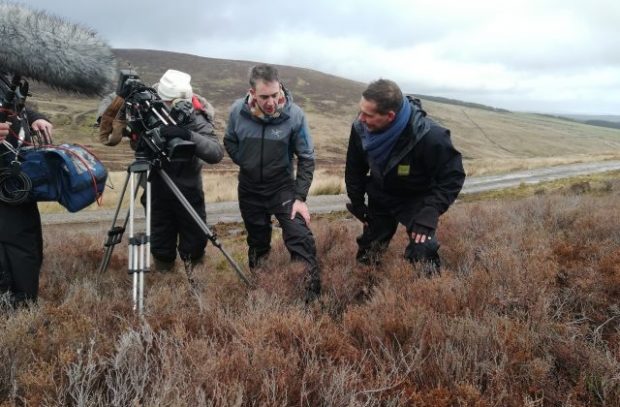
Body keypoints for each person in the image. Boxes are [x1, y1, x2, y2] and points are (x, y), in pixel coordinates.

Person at [100, 69, 224, 272]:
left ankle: (196, 282)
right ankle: (165, 282)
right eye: (171, 102)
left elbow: (215, 153)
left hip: (188, 190)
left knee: (194, 242)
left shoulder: (197, 116)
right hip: (154, 188)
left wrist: (186, 134)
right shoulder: (145, 108)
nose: (176, 107)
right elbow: (112, 132)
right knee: (160, 243)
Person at [345, 79, 465, 273]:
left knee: (424, 249)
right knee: (369, 250)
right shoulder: (360, 129)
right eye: (360, 111)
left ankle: (426, 294)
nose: (360, 118)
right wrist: (358, 202)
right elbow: (354, 168)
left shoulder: (429, 135)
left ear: (390, 116)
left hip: (416, 199)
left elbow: (453, 176)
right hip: (381, 194)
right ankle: (364, 290)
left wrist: (431, 211)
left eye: (368, 114)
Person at [224, 64, 320, 301]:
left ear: (280, 89)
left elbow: (307, 158)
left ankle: (310, 299)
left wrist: (300, 198)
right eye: (264, 97)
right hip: (249, 187)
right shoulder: (237, 111)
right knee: (257, 241)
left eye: (275, 95)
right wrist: (247, 163)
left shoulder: (295, 115)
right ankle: (263, 289)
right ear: (252, 93)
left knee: (299, 235)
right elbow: (230, 141)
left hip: (282, 187)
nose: (271, 102)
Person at [0, 72, 54, 306]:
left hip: (13, 177)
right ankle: (13, 306)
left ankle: (23, 304)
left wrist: (34, 117)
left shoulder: (3, 76)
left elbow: (15, 107)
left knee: (26, 240)